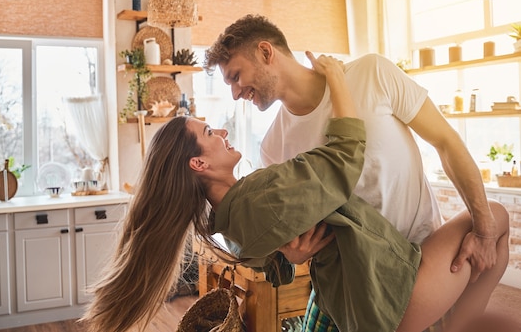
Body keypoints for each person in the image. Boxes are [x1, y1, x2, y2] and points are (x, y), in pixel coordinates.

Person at [81, 55, 509, 332]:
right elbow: (344, 157)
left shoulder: (230, 224)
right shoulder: (259, 195)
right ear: (199, 164)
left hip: (365, 303)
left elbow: (278, 265)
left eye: (237, 79)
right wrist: (338, 78)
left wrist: (290, 258)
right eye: (209, 133)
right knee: (494, 218)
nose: (224, 129)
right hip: (391, 294)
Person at [203, 14, 503, 330]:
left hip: (424, 254)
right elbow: (300, 232)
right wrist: (292, 253)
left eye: (236, 76)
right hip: (360, 285)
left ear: (266, 52)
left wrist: (483, 228)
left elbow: (446, 142)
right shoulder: (273, 146)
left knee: (496, 225)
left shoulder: (372, 73)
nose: (235, 93)